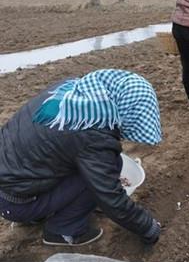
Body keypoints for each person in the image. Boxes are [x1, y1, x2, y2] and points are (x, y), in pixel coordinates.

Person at [0, 69, 163, 247]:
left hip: (11, 183)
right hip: (15, 202)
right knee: (109, 169)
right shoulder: (93, 136)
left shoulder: (71, 90)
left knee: (93, 166)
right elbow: (110, 196)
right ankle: (63, 230)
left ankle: (42, 212)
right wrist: (148, 228)